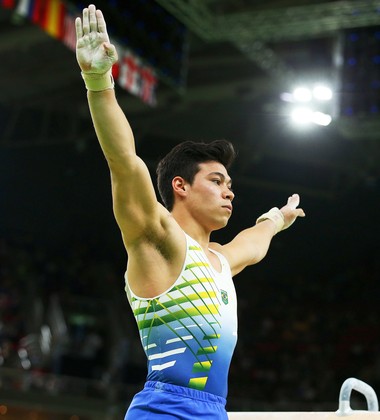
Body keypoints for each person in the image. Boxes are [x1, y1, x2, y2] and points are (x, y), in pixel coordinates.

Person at [75, 5, 305, 419]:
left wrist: (278, 219)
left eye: (231, 185)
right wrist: (98, 83)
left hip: (213, 411)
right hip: (165, 409)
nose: (229, 192)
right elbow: (124, 161)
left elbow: (253, 242)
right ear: (179, 186)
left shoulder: (219, 260)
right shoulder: (159, 240)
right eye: (217, 181)